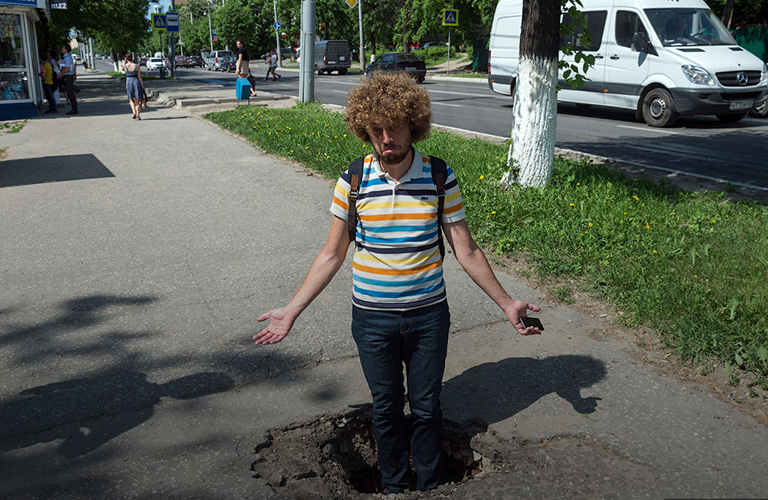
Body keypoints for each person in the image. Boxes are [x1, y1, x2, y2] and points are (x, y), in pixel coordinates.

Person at [253, 72, 542, 494]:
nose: (387, 138)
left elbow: (467, 250)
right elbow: (332, 254)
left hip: (428, 317)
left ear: (414, 124)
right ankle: (393, 486)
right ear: (365, 131)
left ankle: (430, 485)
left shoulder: (440, 178)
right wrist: (291, 310)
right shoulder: (352, 182)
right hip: (372, 320)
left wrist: (506, 302)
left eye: (395, 126)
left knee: (426, 407)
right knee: (386, 408)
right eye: (376, 130)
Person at [123, 54, 144, 120]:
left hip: (128, 82)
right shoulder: (137, 66)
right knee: (137, 100)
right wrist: (142, 85)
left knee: (131, 99)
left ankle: (134, 112)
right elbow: (139, 77)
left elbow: (122, 69)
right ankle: (138, 115)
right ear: (132, 58)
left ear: (126, 58)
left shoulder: (124, 65)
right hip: (136, 81)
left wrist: (124, 61)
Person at [59, 44, 78, 115]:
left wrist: (61, 73)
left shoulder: (67, 58)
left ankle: (74, 109)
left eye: (63, 48)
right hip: (68, 76)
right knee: (70, 93)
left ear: (66, 50)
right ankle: (74, 109)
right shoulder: (66, 58)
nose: (62, 49)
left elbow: (67, 69)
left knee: (70, 93)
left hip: (68, 76)